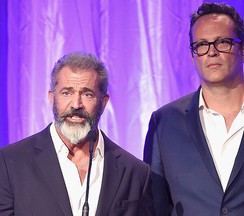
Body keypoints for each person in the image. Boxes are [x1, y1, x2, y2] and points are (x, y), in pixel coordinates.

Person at [144, 2, 244, 216]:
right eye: (201, 45)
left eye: (223, 42)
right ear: (193, 56)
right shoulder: (164, 122)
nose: (212, 52)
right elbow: (155, 206)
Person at [0, 51, 154, 216]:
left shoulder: (135, 172)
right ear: (52, 98)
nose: (76, 104)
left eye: (87, 94)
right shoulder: (10, 163)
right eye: (67, 93)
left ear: (103, 102)